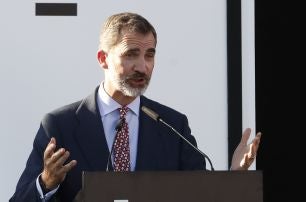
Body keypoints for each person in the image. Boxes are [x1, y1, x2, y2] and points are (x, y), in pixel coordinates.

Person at [10, 12, 262, 202]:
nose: (143, 66)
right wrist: (47, 182)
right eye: (131, 54)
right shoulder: (60, 125)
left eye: (149, 55)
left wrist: (234, 175)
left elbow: (200, 193)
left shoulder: (172, 125)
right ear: (103, 59)